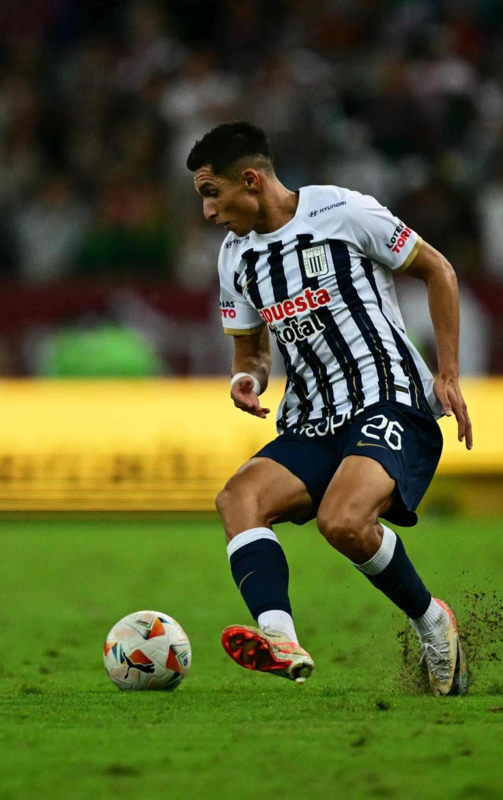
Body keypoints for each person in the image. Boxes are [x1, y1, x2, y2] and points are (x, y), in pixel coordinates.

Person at [189, 122, 473, 695]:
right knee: (238, 497)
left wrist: (447, 373)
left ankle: (432, 622)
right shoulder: (235, 259)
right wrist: (247, 378)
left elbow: (436, 270)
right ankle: (279, 636)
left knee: (342, 522)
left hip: (387, 399)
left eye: (211, 193)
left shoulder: (344, 211)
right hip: (313, 417)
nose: (208, 212)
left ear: (250, 180)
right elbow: (250, 349)